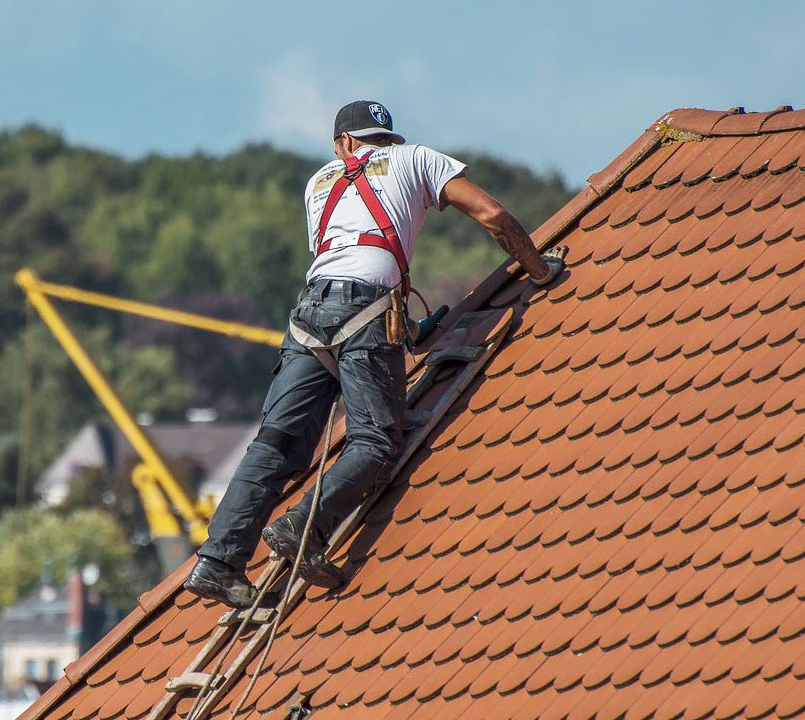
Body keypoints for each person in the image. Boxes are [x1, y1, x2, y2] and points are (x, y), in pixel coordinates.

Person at [183, 100, 567, 608]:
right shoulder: (416, 159)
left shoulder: (318, 182)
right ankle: (303, 527)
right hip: (365, 310)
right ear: (381, 139)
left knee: (276, 443)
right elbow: (492, 215)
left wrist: (402, 329)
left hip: (309, 315)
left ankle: (218, 561)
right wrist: (539, 269)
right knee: (376, 442)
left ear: (344, 143)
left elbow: (346, 256)